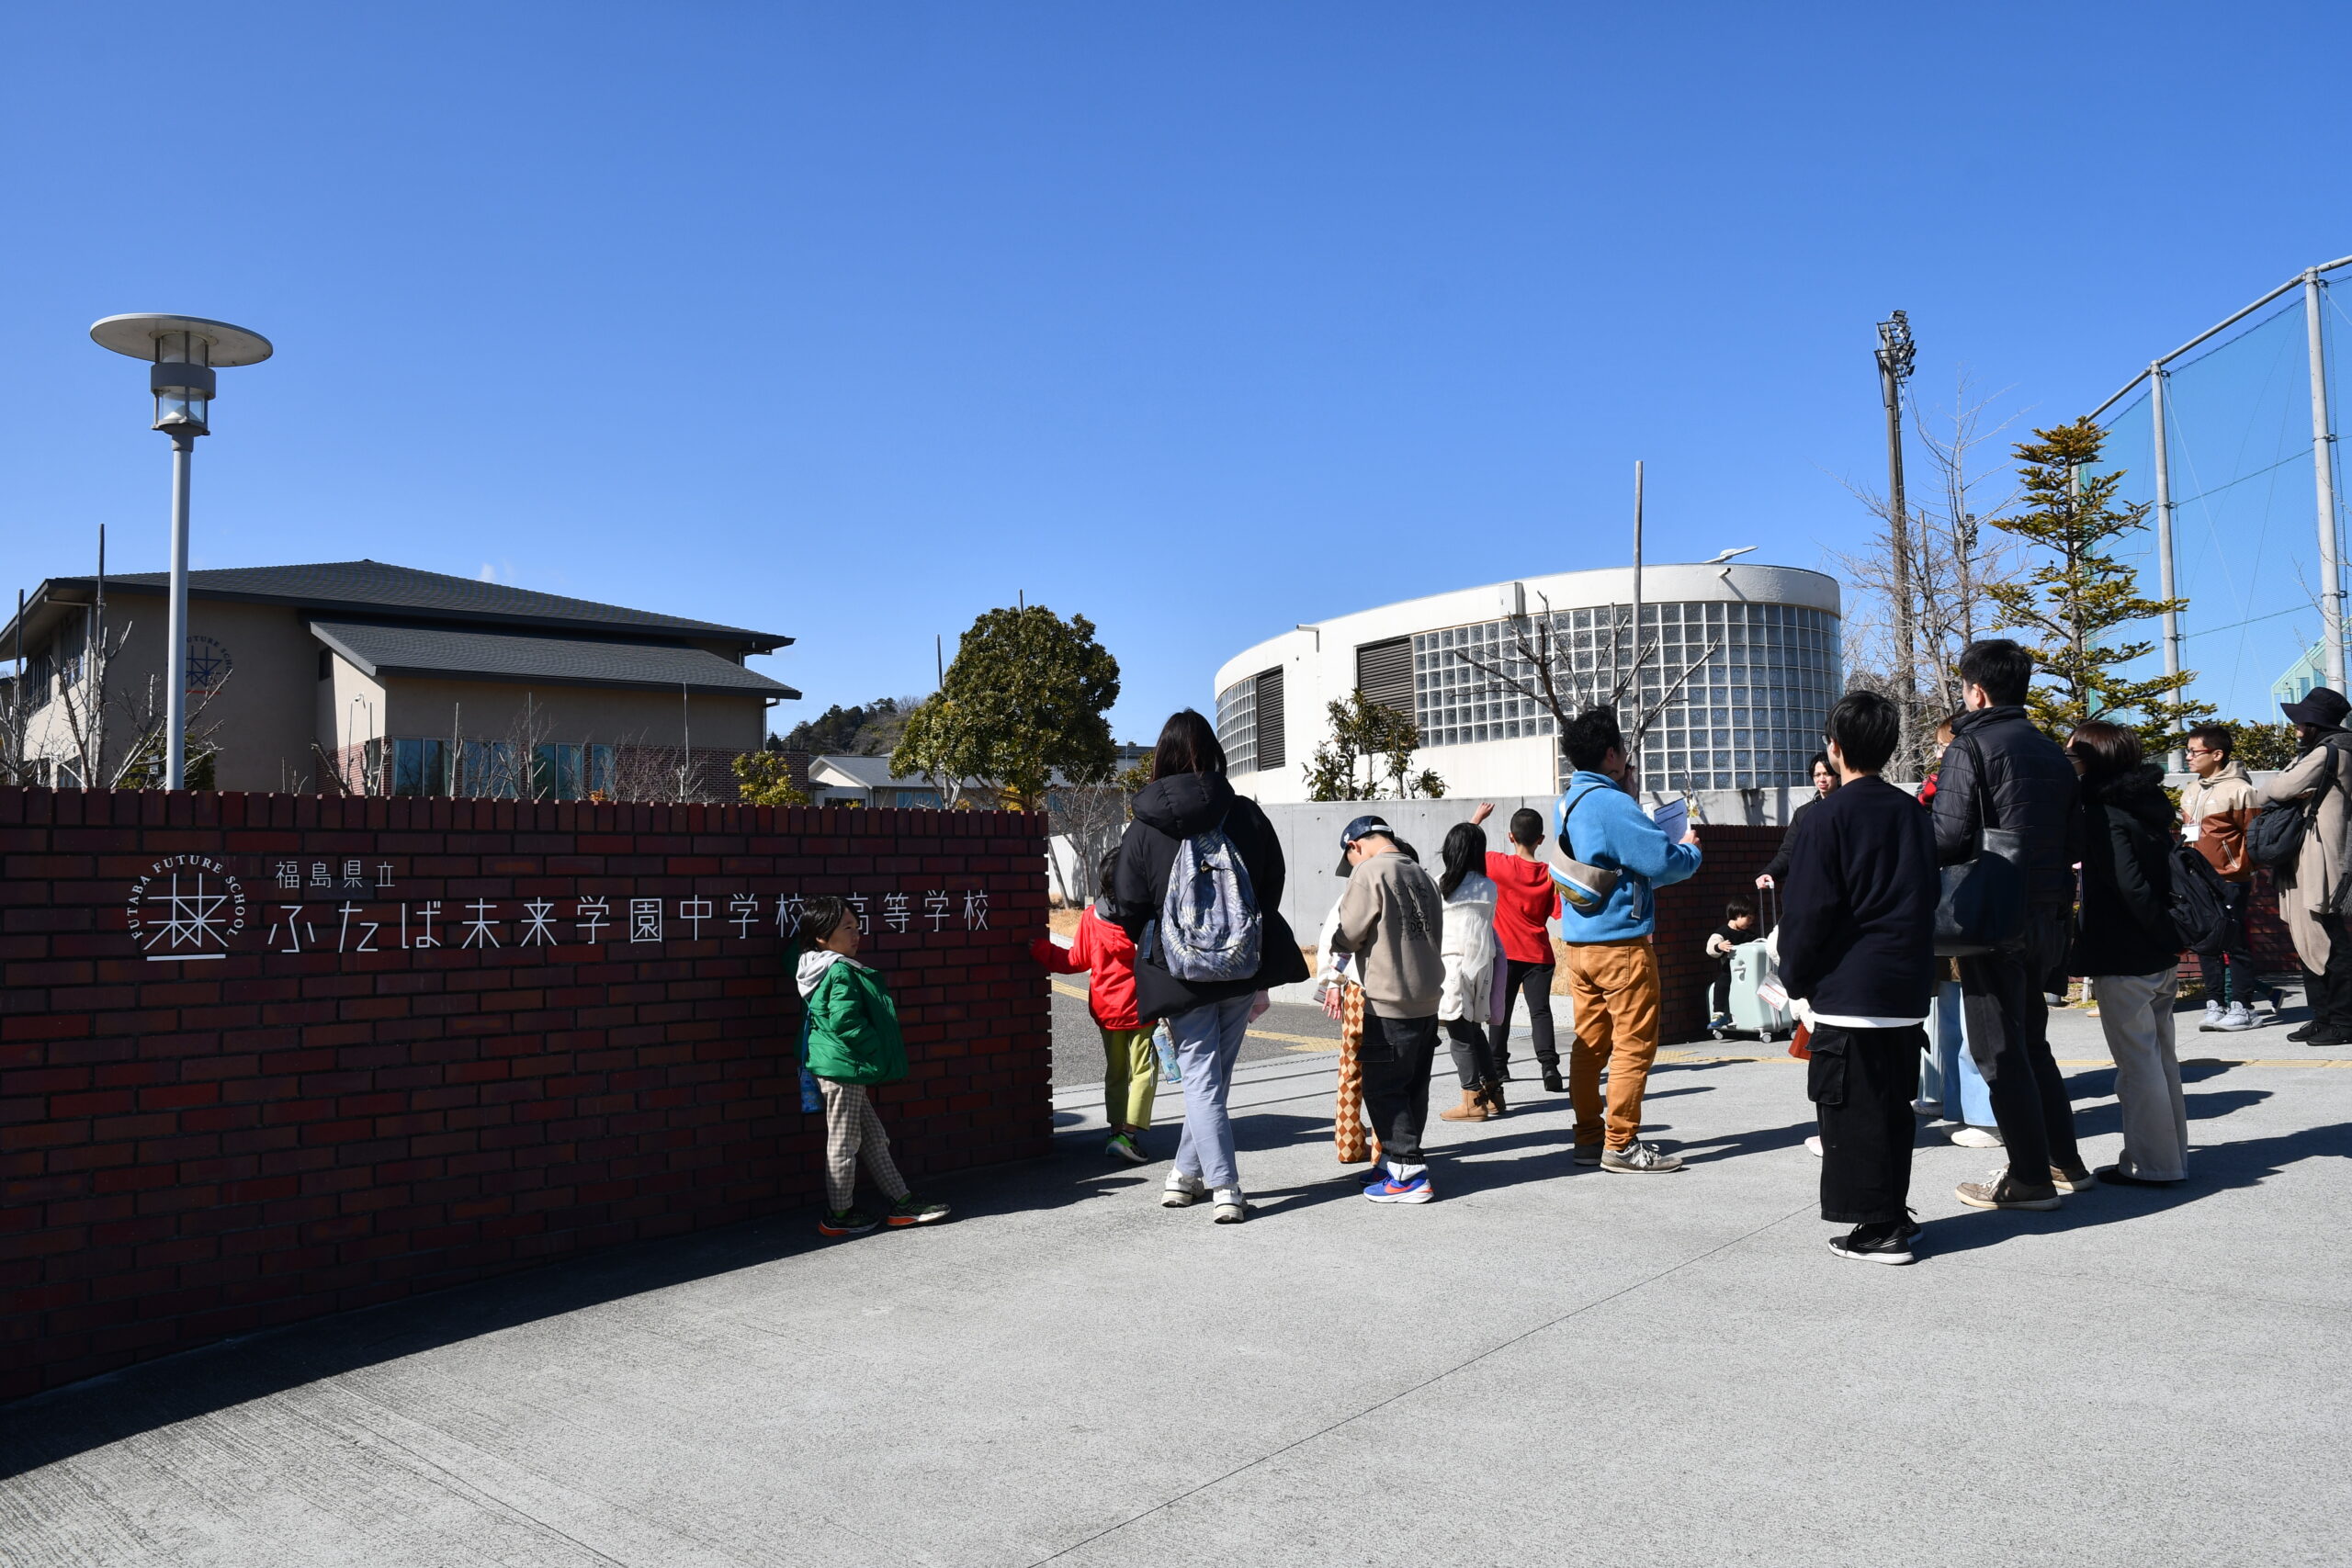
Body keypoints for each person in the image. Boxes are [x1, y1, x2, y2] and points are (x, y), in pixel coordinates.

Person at [1112, 710, 1310, 1224]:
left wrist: (1164, 942)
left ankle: (1209, 1184)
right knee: (1212, 1080)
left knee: (1203, 1079)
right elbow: (1271, 883)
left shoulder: (1144, 826)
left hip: (1179, 972)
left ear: (1161, 757)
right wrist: (1239, 934)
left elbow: (1128, 903)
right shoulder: (1245, 814)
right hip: (1241, 964)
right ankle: (1200, 1179)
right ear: (1215, 753)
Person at [1775, 690, 1938, 1264]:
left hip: (1850, 989)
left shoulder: (1826, 818)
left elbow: (1807, 910)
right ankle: (1893, 1212)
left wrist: (1794, 978)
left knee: (1850, 1113)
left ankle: (1880, 1228)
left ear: (1836, 748)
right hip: (1905, 986)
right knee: (1893, 1109)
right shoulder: (1913, 813)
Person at [1932, 639, 2092, 1213]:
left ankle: (2028, 1179)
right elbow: (2074, 840)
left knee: (1997, 1050)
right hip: (2049, 913)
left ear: (1976, 691)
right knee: (2032, 1042)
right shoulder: (2051, 750)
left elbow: (1948, 835)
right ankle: (2063, 1160)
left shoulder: (1970, 745)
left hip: (1992, 916)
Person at [1554, 706, 1702, 1172]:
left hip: (1579, 944)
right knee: (1633, 1045)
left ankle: (1588, 1137)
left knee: (1589, 1045)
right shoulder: (1613, 804)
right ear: (1612, 754)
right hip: (1620, 944)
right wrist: (1691, 851)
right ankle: (1620, 1143)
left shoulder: (1567, 802)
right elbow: (1662, 861)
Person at [2066, 721, 2188, 1187]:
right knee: (2162, 1060)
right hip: (2157, 955)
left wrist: (2156, 933)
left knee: (2137, 1066)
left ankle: (2152, 1165)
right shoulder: (2148, 803)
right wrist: (2166, 938)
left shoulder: (2102, 812)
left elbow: (2129, 886)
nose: (2067, 762)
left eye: (2072, 755)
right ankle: (2170, 1158)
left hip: (2124, 952)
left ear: (2091, 761)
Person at [797, 896, 952, 1236]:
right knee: (844, 1142)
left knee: (872, 1137)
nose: (857, 934)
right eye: (847, 928)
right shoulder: (839, 970)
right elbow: (846, 1021)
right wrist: (876, 1051)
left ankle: (902, 1202)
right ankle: (839, 1214)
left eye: (857, 926)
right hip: (844, 1067)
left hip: (842, 1066)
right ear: (822, 936)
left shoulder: (814, 965)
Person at [1333, 815, 1448, 1201]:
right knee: (1413, 1085)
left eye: (1350, 858)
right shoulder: (1422, 874)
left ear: (1355, 845)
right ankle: (1391, 1163)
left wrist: (1336, 945)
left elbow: (1350, 932)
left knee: (1382, 1086)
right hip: (1426, 998)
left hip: (1387, 1000)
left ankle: (1407, 1171)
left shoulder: (1369, 872)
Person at [1030, 849, 1155, 1166]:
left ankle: (1115, 1131)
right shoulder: (1146, 917)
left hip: (1107, 1008)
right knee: (1143, 1071)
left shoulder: (1091, 916)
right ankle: (1129, 1135)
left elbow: (1075, 960)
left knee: (1116, 1072)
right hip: (1142, 1005)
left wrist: (1041, 949)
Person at [2260, 688, 2352, 1046]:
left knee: (2328, 939)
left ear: (2314, 723)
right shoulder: (2320, 752)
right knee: (2307, 939)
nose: (2296, 728)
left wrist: (2285, 788)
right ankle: (2323, 1017)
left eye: (2300, 722)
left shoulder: (2330, 752)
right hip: (2305, 856)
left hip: (2321, 859)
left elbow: (2277, 789)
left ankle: (2343, 1021)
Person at [1469, 804, 1565, 1092]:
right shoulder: (1549, 874)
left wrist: (1477, 819)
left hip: (1505, 955)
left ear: (1511, 836)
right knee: (1541, 1011)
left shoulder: (1496, 864)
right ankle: (1549, 1067)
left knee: (1500, 1010)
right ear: (1541, 839)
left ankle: (1498, 1067)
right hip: (1539, 954)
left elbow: (1465, 848)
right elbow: (1558, 912)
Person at [2179, 723, 2266, 1032]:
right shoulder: (2191, 790)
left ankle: (2243, 1007)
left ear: (2217, 754)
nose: (2188, 757)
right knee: (2206, 942)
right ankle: (2215, 1003)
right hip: (2197, 880)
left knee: (2235, 940)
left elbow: (2254, 837)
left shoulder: (2240, 790)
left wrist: (2244, 869)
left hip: (2230, 878)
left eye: (2194, 751)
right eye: (2187, 751)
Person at [1434, 821, 1505, 1122]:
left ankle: (1472, 1102)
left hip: (1452, 964)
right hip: (1483, 965)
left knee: (1459, 1034)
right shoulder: (1489, 887)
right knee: (1475, 1031)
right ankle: (1493, 1093)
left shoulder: (1440, 885)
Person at [1757, 751, 1838, 889]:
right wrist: (1769, 872)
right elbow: (1789, 850)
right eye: (1817, 775)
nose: (1822, 779)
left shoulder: (1849, 807)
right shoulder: (1803, 813)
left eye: (1827, 774)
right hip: (1814, 886)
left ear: (1837, 775)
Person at [1703, 897, 1758, 1034]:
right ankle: (1718, 1014)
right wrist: (1719, 946)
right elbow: (1710, 948)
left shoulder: (1750, 935)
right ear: (1738, 915)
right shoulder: (1723, 932)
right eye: (1749, 918)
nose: (1751, 922)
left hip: (1751, 971)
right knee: (1721, 984)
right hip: (1730, 970)